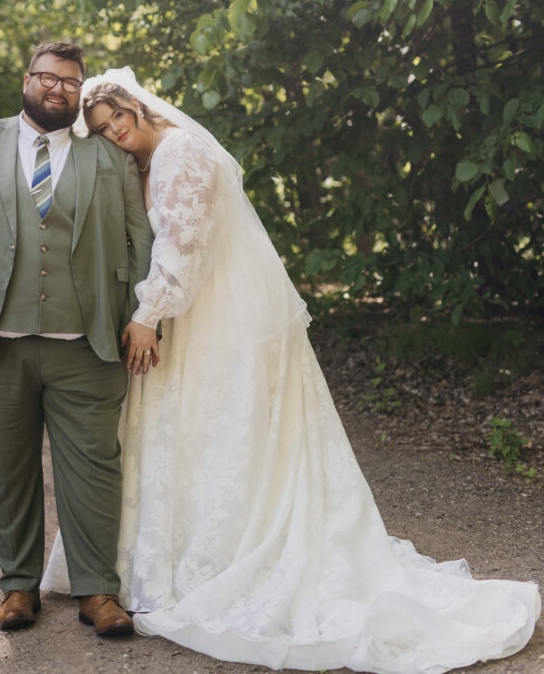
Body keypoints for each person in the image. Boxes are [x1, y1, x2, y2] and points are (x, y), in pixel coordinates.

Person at [41, 66, 541, 674]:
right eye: (101, 128)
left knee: (220, 435)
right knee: (201, 437)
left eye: (117, 116)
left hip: (213, 317)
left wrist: (148, 314)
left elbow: (183, 245)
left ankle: (224, 558)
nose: (114, 130)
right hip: (203, 313)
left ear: (137, 104)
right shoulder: (154, 156)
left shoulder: (179, 152)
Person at [0, 45, 153, 637]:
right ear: (27, 81)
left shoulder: (108, 158)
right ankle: (17, 587)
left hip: (88, 339)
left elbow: (139, 237)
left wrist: (147, 313)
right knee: (6, 465)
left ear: (79, 92)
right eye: (48, 77)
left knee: (95, 468)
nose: (58, 89)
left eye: (70, 82)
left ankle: (98, 591)